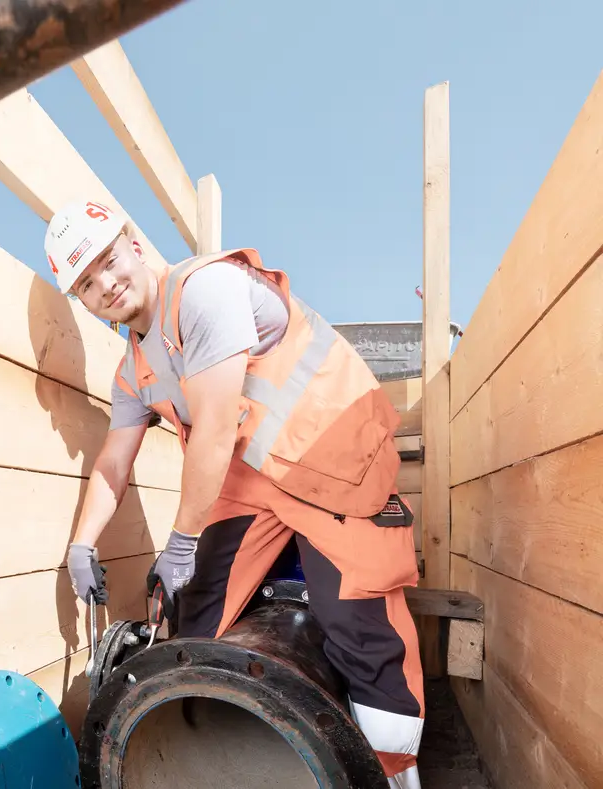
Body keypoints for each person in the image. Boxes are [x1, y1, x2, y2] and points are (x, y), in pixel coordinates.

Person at [45, 198, 425, 789]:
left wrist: (179, 544)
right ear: (83, 302)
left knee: (356, 618)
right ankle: (206, 760)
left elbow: (217, 427)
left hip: (332, 454)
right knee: (193, 613)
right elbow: (114, 462)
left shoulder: (204, 291)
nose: (106, 285)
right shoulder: (132, 371)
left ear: (134, 247)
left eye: (108, 262)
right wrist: (81, 544)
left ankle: (394, 774)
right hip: (250, 478)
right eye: (87, 284)